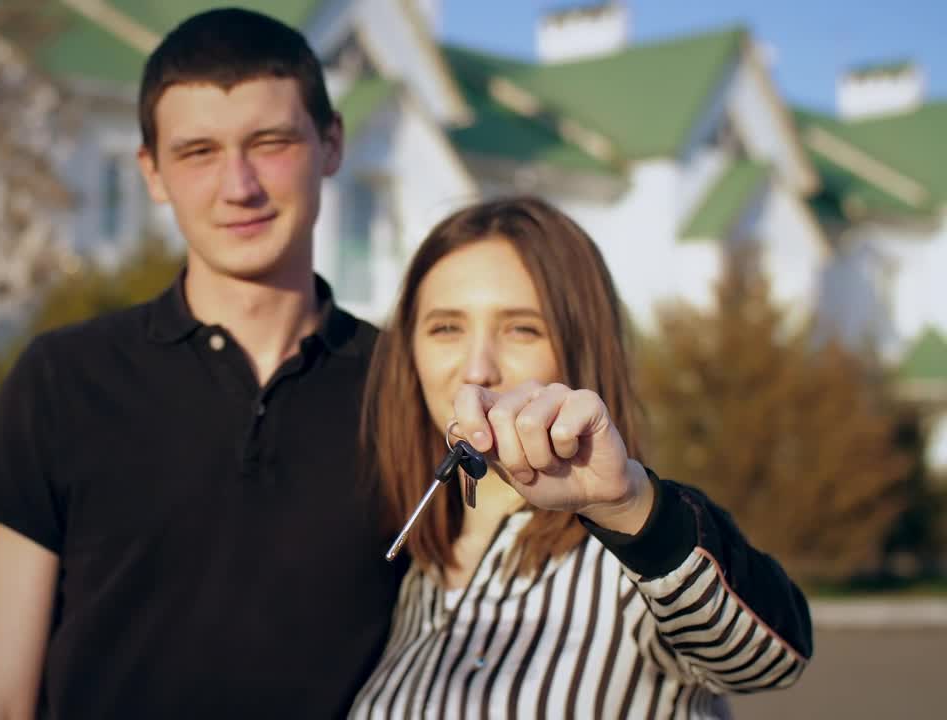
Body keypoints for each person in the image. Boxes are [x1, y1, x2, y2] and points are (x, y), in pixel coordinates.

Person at [0, 8, 404, 719]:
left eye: (270, 142)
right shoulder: (62, 381)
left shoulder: (406, 391)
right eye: (198, 152)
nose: (239, 185)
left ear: (331, 144)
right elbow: (1, 700)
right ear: (153, 173)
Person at [348, 196, 813, 719]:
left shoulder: (634, 568)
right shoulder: (412, 570)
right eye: (446, 328)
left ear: (580, 349)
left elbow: (770, 661)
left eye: (522, 328)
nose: (477, 369)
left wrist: (628, 505)